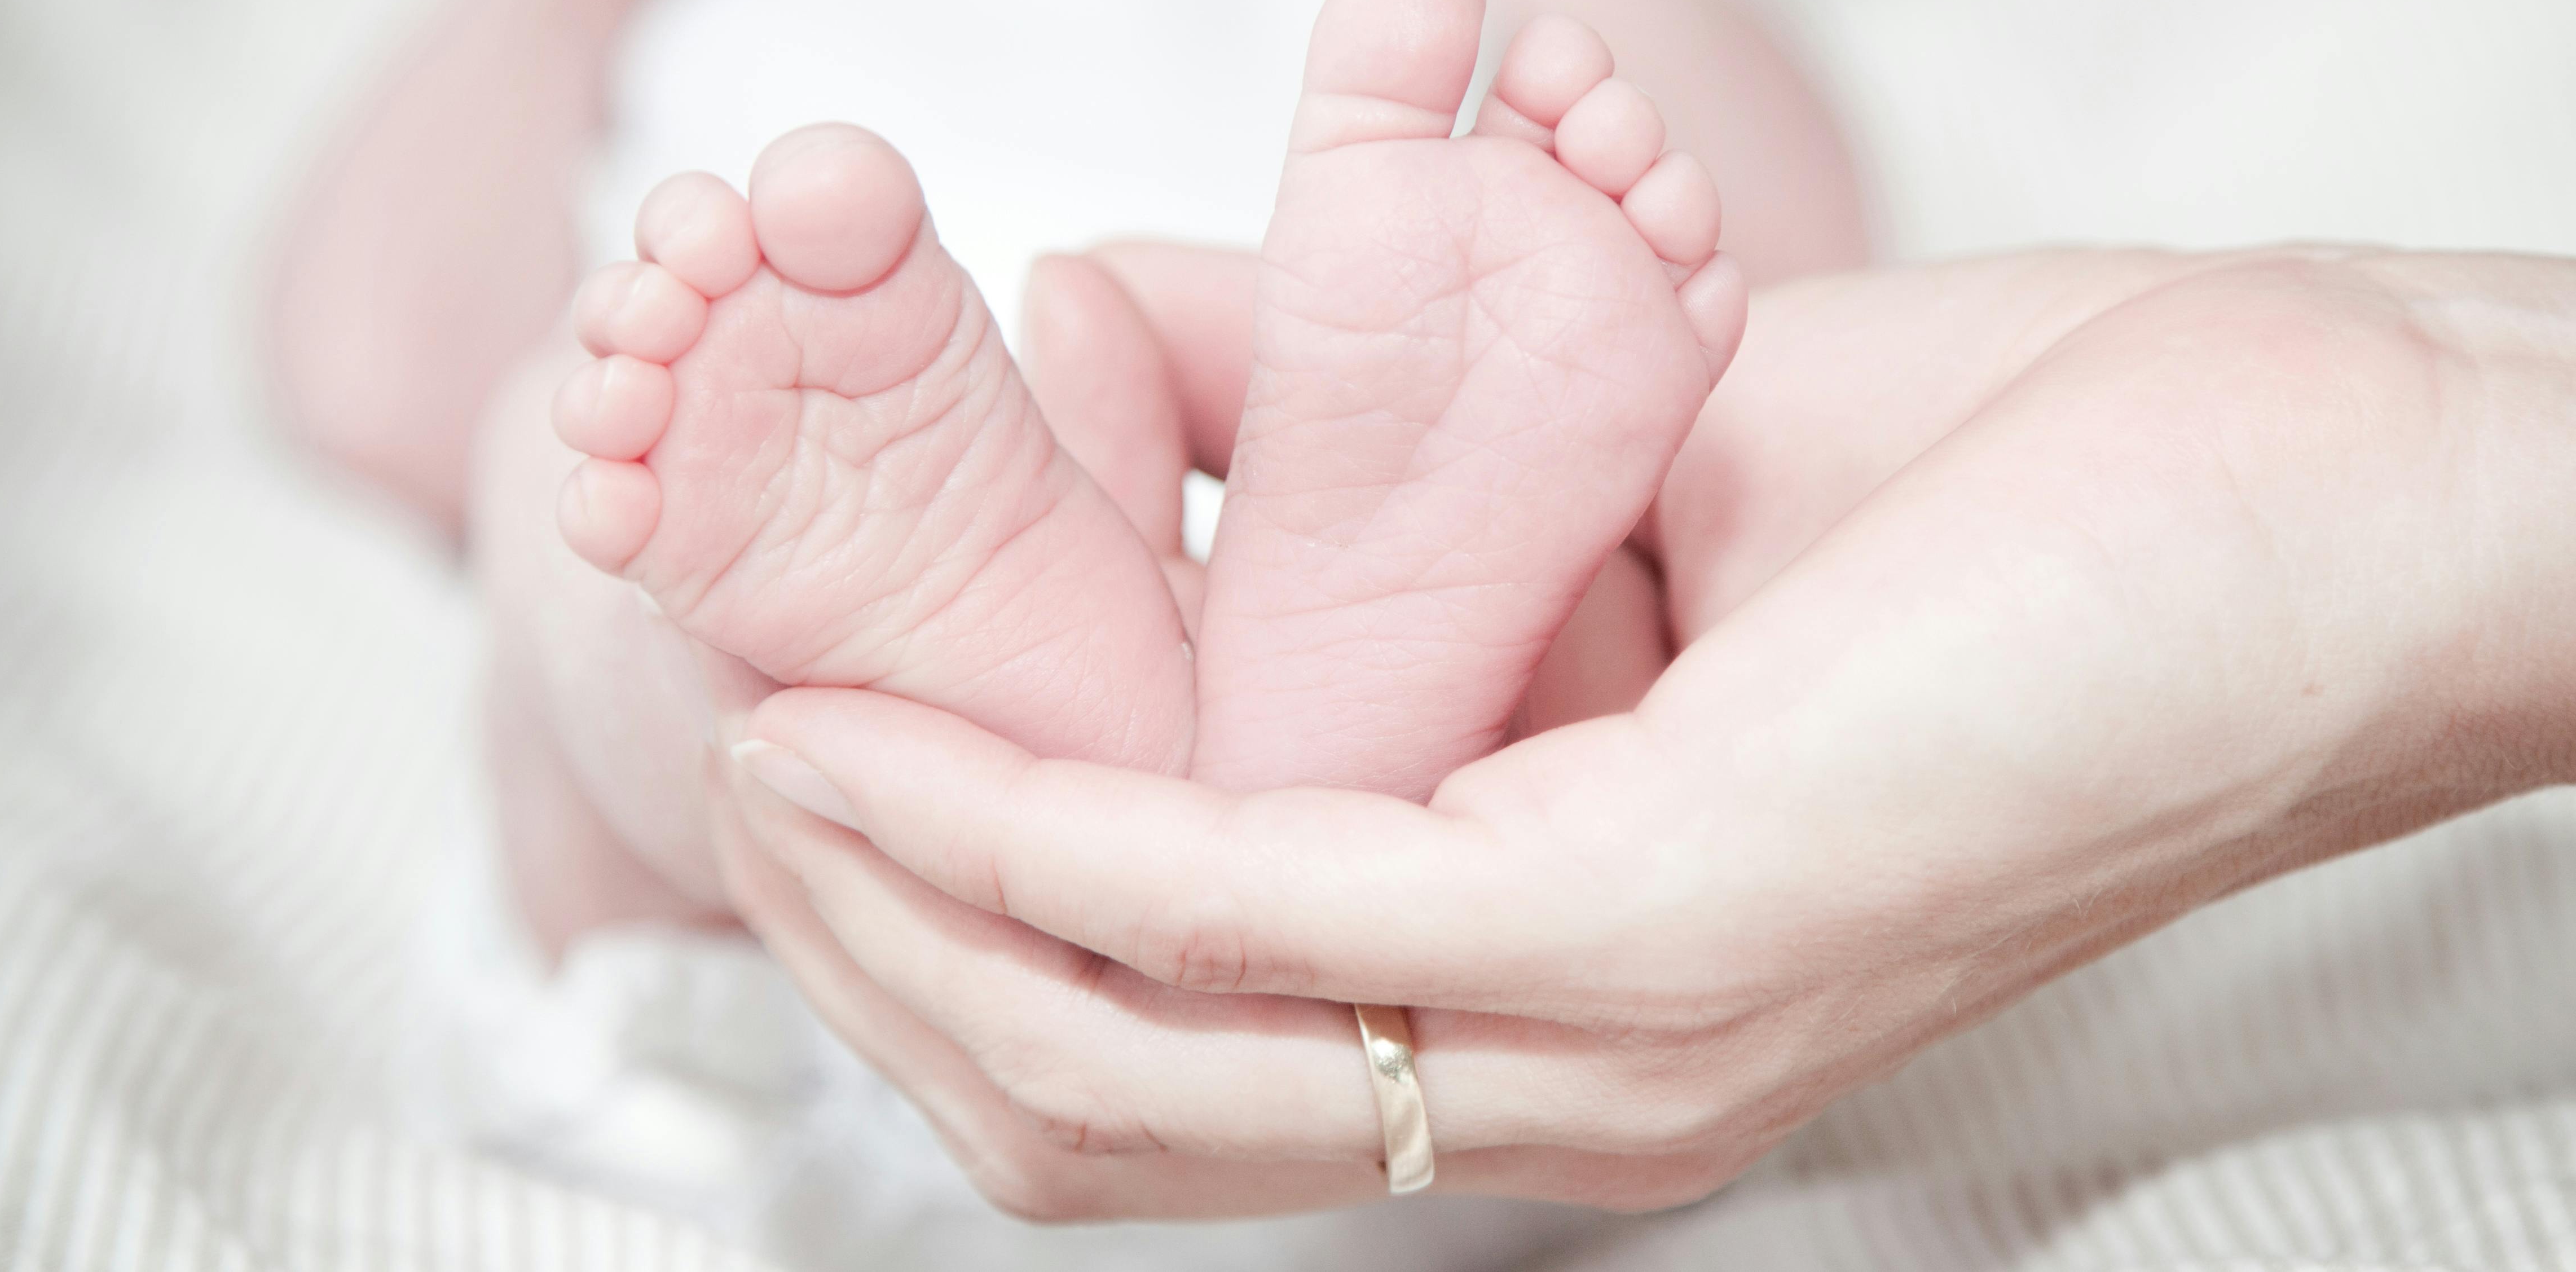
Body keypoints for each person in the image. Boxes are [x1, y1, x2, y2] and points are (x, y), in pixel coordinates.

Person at [268, 0, 1862, 957]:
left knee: (1623, 484)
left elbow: (1780, 255)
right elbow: (379, 381)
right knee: (586, 475)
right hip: (813, 956)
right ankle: (1104, 696)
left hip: (1499, 955)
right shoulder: (681, 1)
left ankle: (1247, 694)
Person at [699, 237, 2576, 1217]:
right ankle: (1220, 702)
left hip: (976, 465)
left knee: (649, 593)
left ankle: (1114, 711)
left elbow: (1746, 201)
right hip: (987, 448)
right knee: (651, 560)